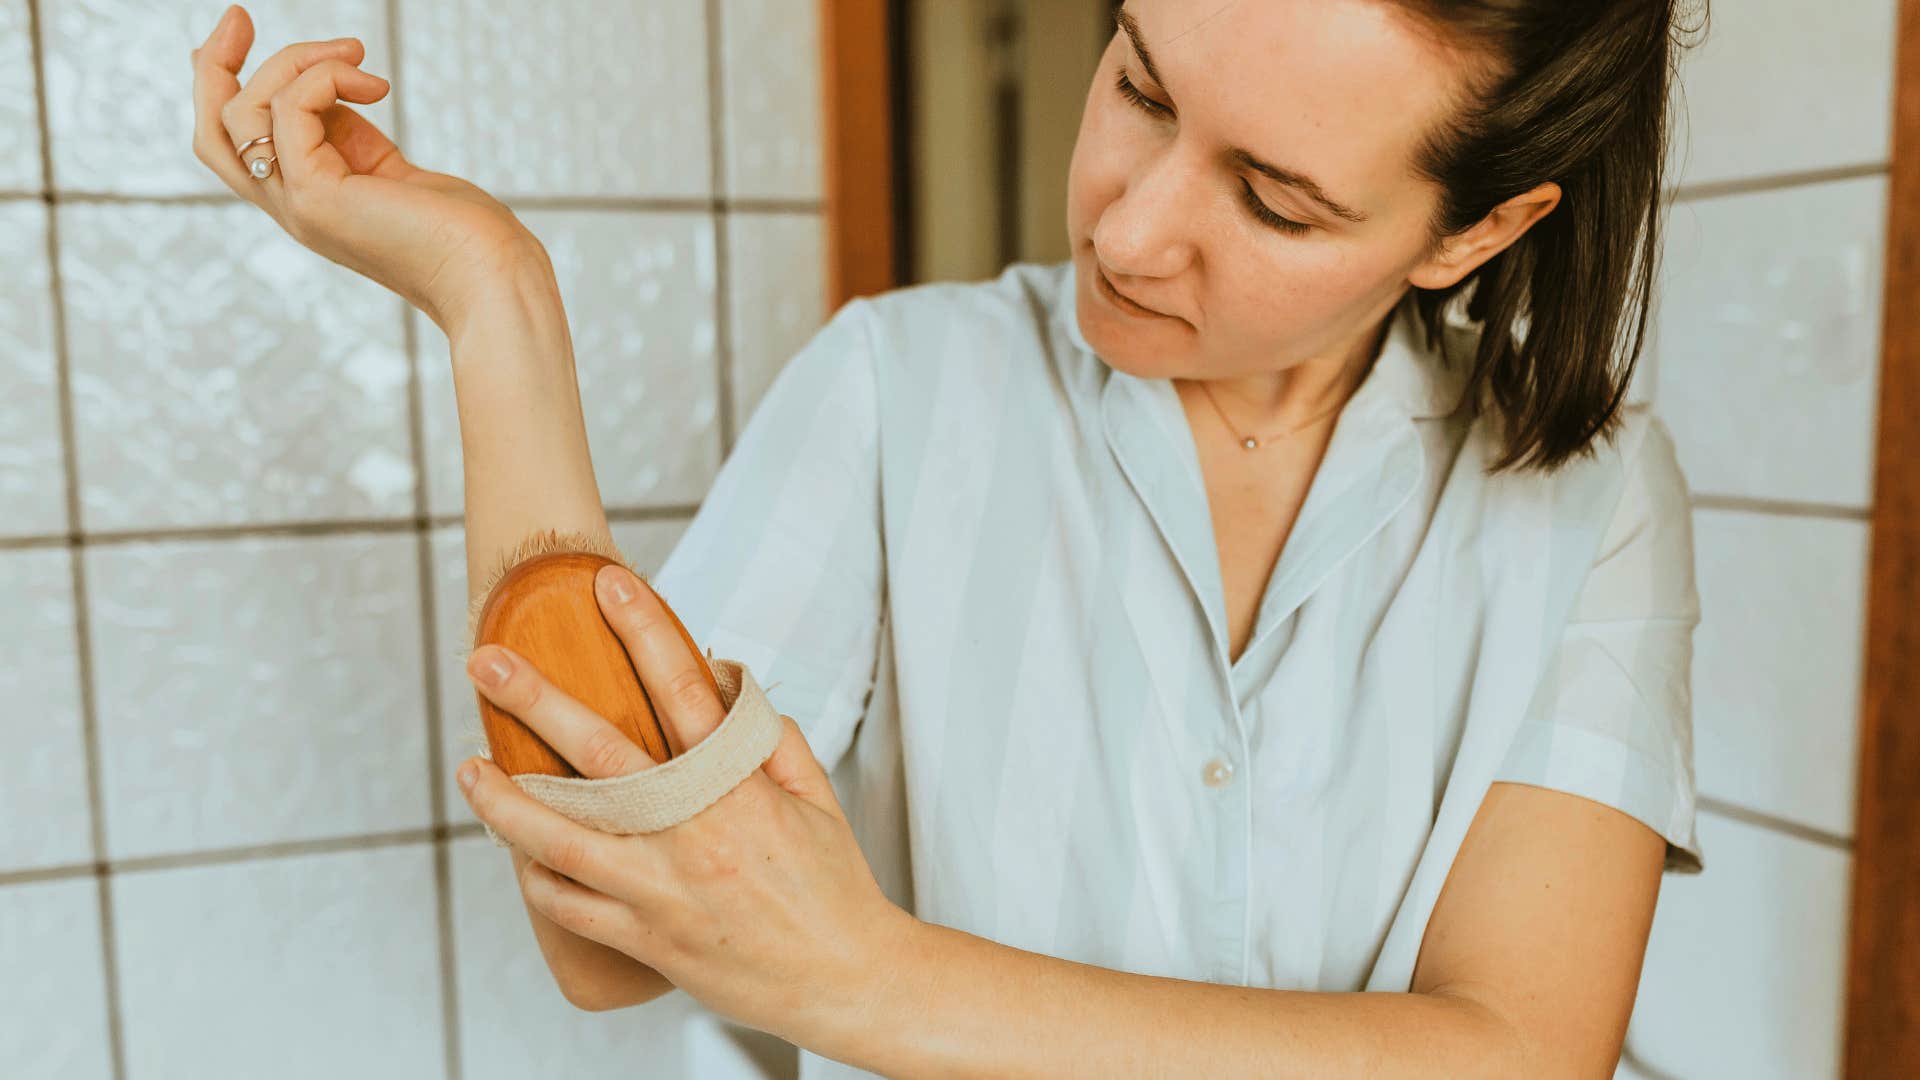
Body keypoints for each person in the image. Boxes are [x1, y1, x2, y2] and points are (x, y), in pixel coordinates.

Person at [192, 0, 1705, 1075]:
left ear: (1475, 232)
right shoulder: (897, 384)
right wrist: (492, 299)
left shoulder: (1589, 491)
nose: (1122, 229)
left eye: (1273, 203)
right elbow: (612, 938)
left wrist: (859, 974)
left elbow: (1516, 1047)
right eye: (1142, 85)